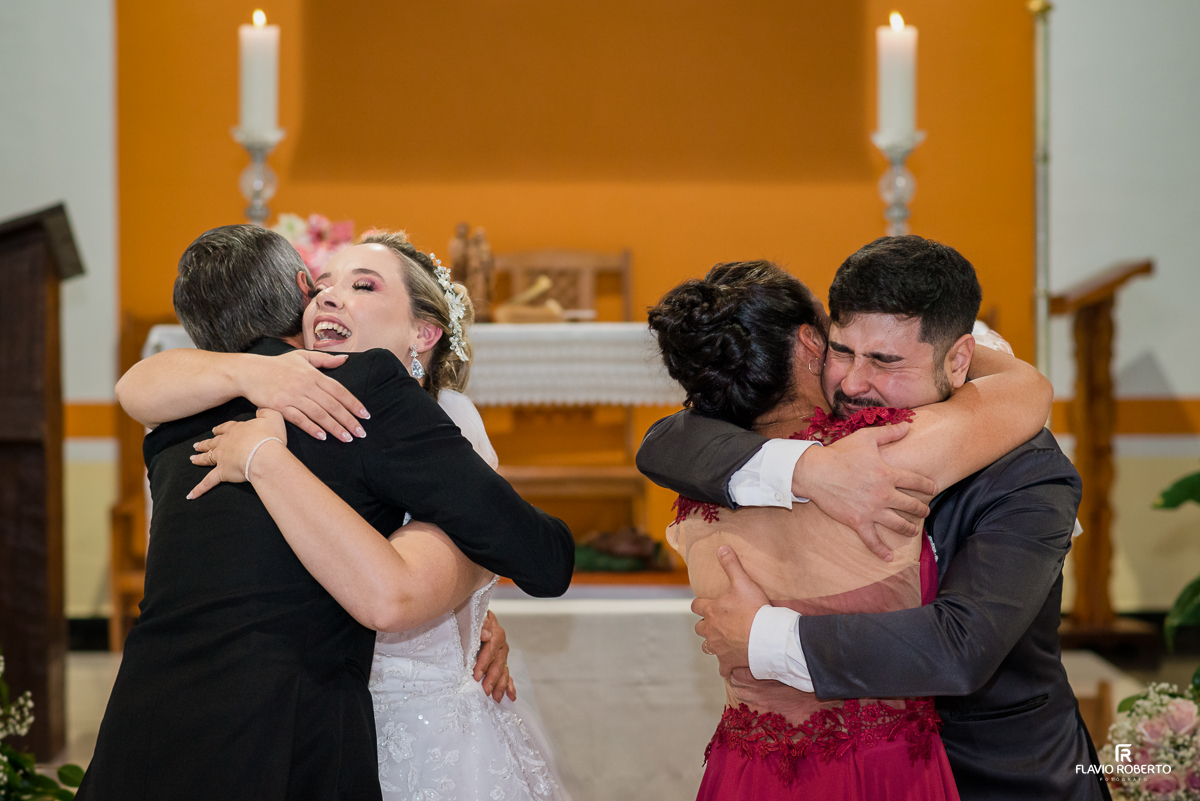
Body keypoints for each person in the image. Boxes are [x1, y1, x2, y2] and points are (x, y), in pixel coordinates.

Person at [80, 225, 574, 801]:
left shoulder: (176, 415)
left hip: (140, 732)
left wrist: (466, 596)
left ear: (425, 331)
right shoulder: (364, 385)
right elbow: (543, 559)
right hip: (284, 741)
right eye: (320, 286)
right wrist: (477, 559)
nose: (331, 297)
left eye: (363, 285)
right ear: (297, 296)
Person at [638, 236, 1109, 800]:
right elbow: (666, 441)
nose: (854, 383)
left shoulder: (1027, 469)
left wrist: (765, 637)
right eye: (843, 352)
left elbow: (963, 647)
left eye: (885, 361)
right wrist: (807, 471)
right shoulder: (821, 444)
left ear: (958, 359)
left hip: (997, 773)